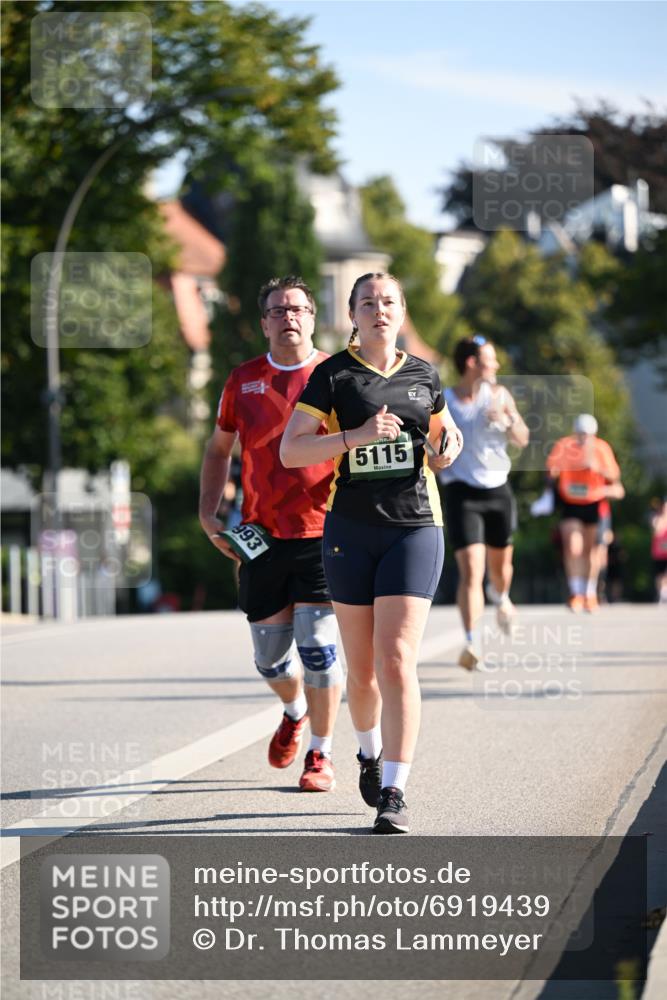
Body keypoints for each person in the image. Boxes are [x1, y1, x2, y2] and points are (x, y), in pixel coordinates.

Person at [281, 272, 463, 834]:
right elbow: (291, 451)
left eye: (388, 302)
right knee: (360, 673)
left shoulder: (423, 375)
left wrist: (445, 448)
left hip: (414, 526)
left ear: (402, 311)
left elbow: (442, 445)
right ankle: (365, 753)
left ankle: (394, 789)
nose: (378, 310)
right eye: (367, 303)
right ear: (352, 314)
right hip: (349, 531)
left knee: (396, 661)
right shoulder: (331, 375)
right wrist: (355, 437)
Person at [199, 276, 343, 792]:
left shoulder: (336, 374)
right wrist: (209, 514)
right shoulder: (242, 381)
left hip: (324, 533)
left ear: (312, 316)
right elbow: (218, 451)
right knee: (270, 659)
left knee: (319, 651)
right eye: (278, 311)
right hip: (260, 537)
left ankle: (321, 755)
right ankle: (294, 709)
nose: (289, 318)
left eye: (298, 309)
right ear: (264, 322)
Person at [437, 336, 529, 670]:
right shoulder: (444, 401)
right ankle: (472, 642)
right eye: (491, 359)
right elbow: (433, 444)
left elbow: (522, 438)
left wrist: (507, 420)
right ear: (473, 363)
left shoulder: (500, 395)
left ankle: (502, 598)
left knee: (500, 569)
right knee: (471, 571)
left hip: (497, 491)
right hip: (462, 492)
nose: (497, 365)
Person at [546, 414, 624, 612]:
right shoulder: (565, 446)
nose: (583, 439)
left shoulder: (601, 448)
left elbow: (615, 475)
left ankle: (589, 593)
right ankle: (576, 592)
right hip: (571, 503)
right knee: (573, 547)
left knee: (593, 550)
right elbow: (551, 469)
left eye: (587, 435)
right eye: (580, 434)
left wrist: (597, 468)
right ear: (575, 433)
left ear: (593, 435)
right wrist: (558, 470)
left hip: (595, 503)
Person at [650, 497, 667, 603]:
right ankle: (661, 593)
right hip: (659, 553)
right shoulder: (656, 518)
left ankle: (664, 593)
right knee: (659, 575)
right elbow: (657, 531)